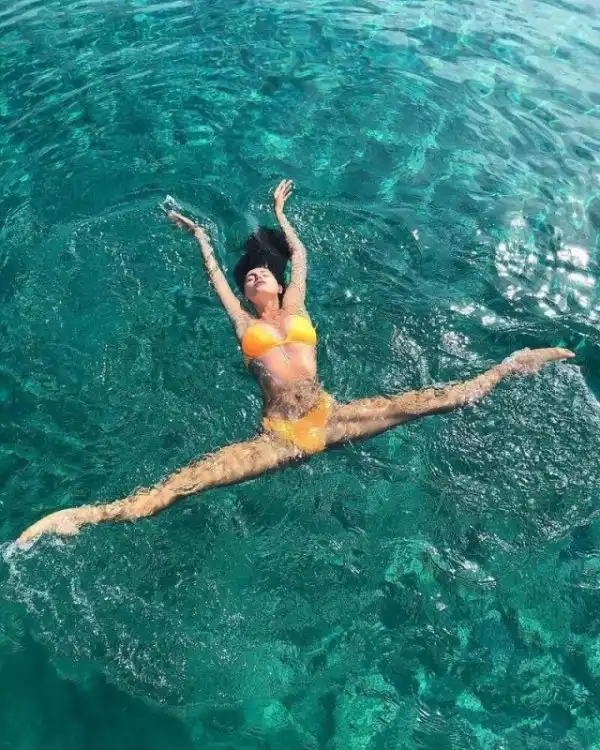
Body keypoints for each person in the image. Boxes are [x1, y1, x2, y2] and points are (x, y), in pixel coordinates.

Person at [17, 180, 574, 543]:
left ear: (278, 282)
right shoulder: (245, 324)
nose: (255, 275)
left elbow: (301, 254)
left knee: (448, 397)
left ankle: (513, 364)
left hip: (333, 418)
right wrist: (201, 237)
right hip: (280, 437)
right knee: (180, 487)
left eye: (262, 272)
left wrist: (281, 213)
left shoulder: (298, 305)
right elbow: (215, 279)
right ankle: (82, 517)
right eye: (249, 277)